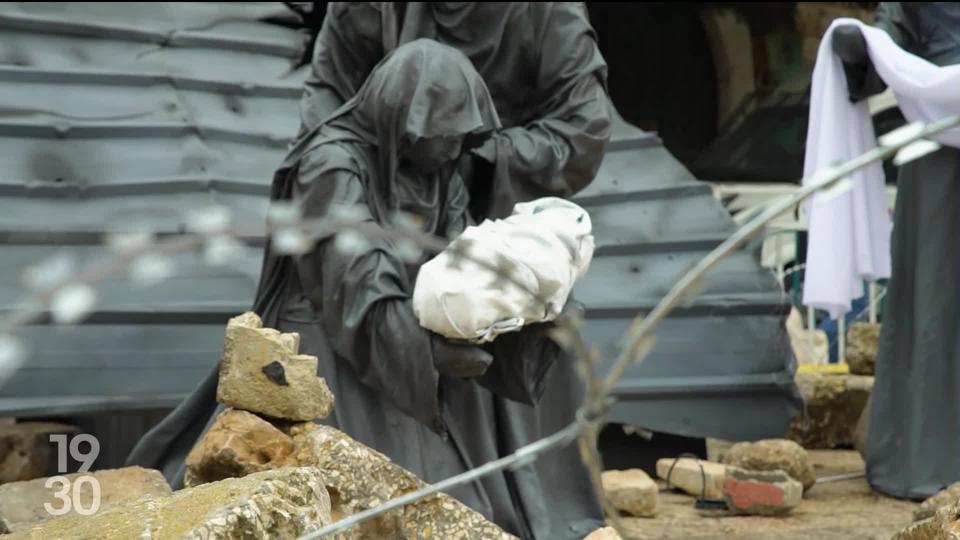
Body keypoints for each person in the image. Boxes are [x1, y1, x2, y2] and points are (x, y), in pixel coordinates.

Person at [127, 38, 605, 539]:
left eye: (463, 137)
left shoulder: (441, 168)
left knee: (546, 334)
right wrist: (427, 352)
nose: (455, 150)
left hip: (404, 326)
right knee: (377, 494)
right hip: (336, 323)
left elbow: (460, 262)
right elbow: (350, 279)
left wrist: (514, 303)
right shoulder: (331, 165)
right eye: (443, 136)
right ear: (404, 118)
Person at [832, 2, 960, 500]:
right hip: (938, 141)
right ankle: (927, 456)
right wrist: (858, 46)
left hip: (935, 135)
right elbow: (893, 29)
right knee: (932, 297)